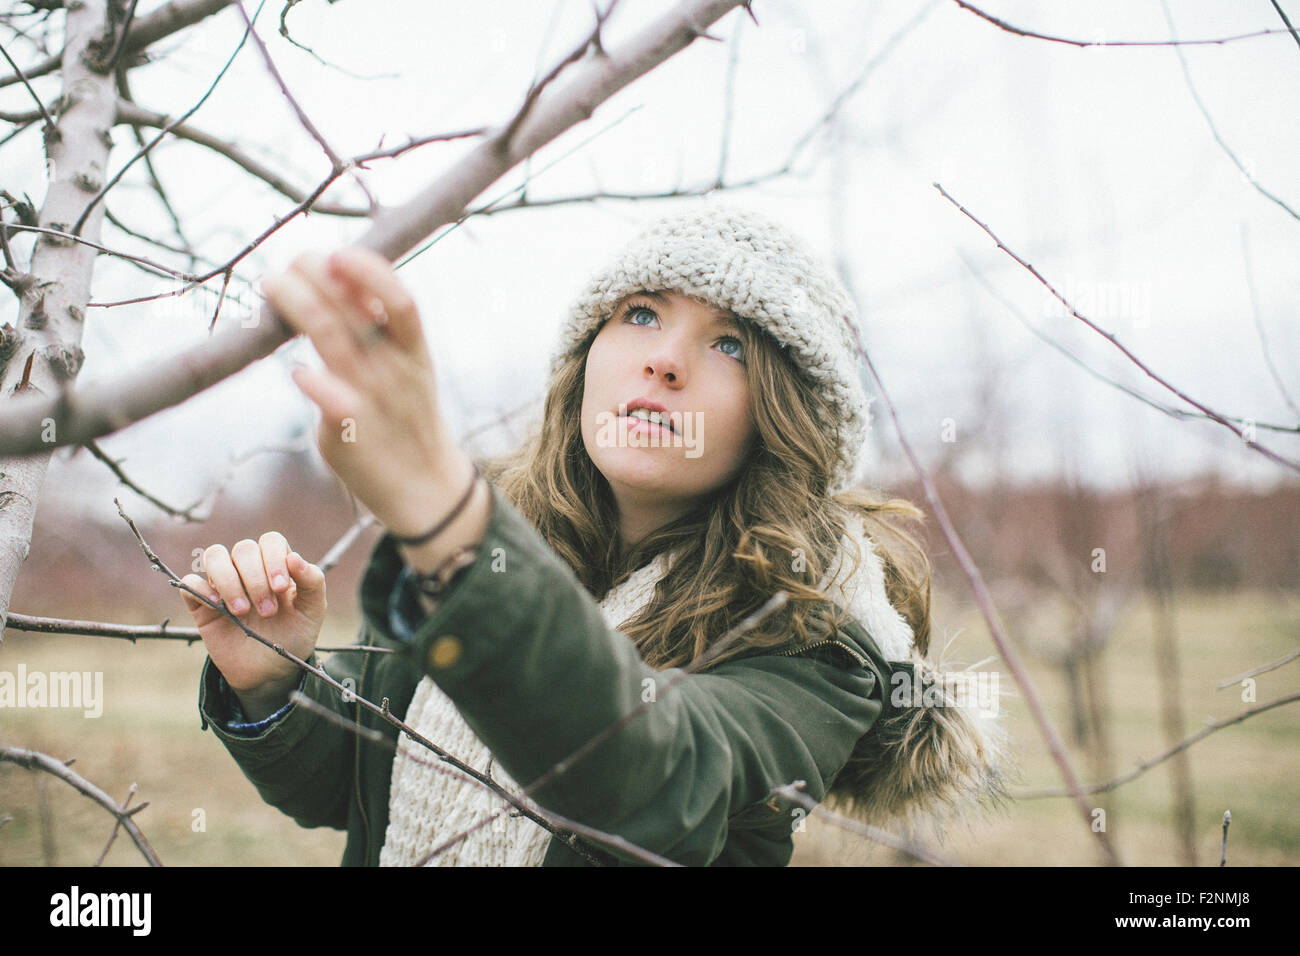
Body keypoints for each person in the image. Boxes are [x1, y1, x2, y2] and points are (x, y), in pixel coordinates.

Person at [182, 202, 1005, 866]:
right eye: (642, 314)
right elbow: (362, 792)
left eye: (731, 345)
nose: (666, 360)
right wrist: (273, 685)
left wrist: (445, 517)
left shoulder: (813, 636)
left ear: (783, 419)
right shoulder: (497, 546)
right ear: (587, 356)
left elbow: (654, 785)